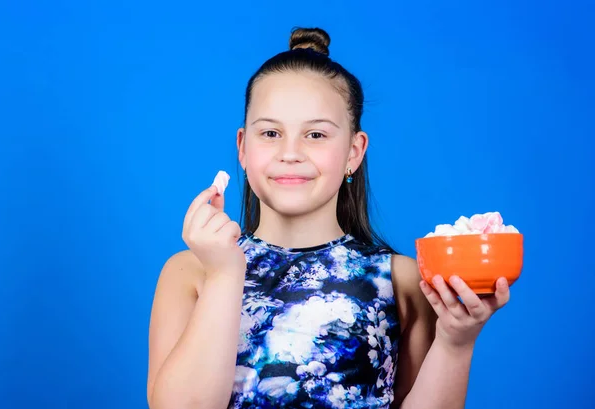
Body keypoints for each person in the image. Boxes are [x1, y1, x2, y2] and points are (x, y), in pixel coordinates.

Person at [146, 27, 511, 409]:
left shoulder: (402, 280)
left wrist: (456, 342)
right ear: (242, 147)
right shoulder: (191, 272)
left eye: (316, 135)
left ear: (354, 151)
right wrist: (224, 274)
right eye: (270, 132)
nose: (290, 153)